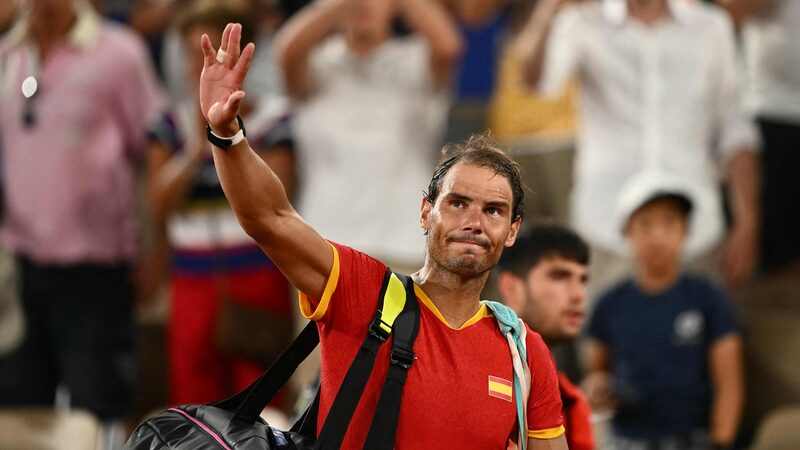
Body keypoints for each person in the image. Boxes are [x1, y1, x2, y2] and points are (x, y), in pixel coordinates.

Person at [198, 23, 568, 449]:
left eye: (493, 211)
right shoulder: (362, 291)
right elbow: (270, 218)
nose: (475, 222)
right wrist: (228, 135)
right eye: (458, 203)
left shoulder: (524, 351)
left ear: (512, 231)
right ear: (426, 212)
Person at [518, 0, 761, 294]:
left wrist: (747, 221)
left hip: (694, 229)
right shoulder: (584, 22)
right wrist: (549, 8)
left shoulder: (710, 27)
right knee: (599, 338)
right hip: (606, 228)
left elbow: (734, 127)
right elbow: (534, 82)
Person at [0, 0, 163, 425]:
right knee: (19, 408)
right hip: (18, 267)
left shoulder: (119, 53)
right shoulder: (7, 55)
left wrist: (157, 246)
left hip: (97, 266)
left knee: (101, 405)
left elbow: (154, 152)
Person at [146, 0, 295, 407]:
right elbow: (158, 206)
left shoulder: (273, 121)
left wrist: (227, 132)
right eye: (193, 54)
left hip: (260, 268)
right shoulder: (169, 125)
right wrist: (198, 145)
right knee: (194, 397)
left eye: (214, 54)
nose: (202, 65)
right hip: (192, 273)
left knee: (263, 396)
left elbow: (278, 198)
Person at [274, 0, 463, 272]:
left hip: (406, 242)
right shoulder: (316, 64)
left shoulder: (416, 59)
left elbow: (449, 47)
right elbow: (286, 51)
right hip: (324, 245)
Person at [583, 176, 744, 450]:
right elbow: (595, 374)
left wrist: (720, 441)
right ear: (627, 232)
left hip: (694, 439)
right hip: (627, 440)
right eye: (645, 224)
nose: (657, 236)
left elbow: (729, 382)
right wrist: (597, 390)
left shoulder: (708, 297)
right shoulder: (609, 303)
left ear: (685, 231)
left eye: (669, 222)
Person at [496, 224, 594, 450]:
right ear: (512, 288)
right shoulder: (484, 378)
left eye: (583, 280)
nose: (578, 295)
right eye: (560, 276)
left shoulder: (571, 398)